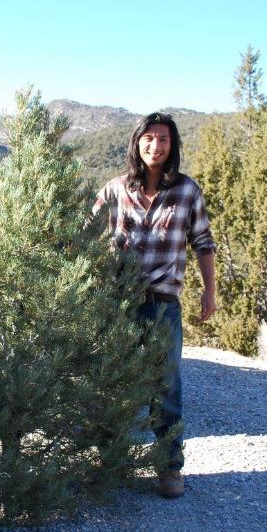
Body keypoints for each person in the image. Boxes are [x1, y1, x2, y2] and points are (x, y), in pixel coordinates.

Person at [93, 112, 217, 498]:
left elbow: (204, 243)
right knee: (112, 384)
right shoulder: (114, 190)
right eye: (149, 138)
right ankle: (110, 462)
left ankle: (168, 468)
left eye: (163, 139)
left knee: (166, 387)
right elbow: (84, 231)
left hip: (164, 304)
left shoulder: (187, 191)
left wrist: (209, 291)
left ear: (172, 145)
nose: (155, 146)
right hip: (120, 304)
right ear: (137, 142)